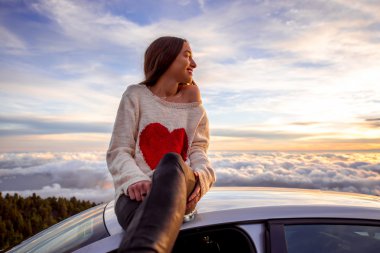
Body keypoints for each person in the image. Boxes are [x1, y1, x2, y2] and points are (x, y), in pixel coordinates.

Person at [106, 36, 216, 253]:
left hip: (181, 187)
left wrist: (202, 177)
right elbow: (119, 151)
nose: (194, 64)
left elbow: (198, 152)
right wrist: (134, 179)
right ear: (165, 58)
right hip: (137, 196)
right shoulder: (135, 96)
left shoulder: (196, 109)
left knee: (172, 162)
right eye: (187, 55)